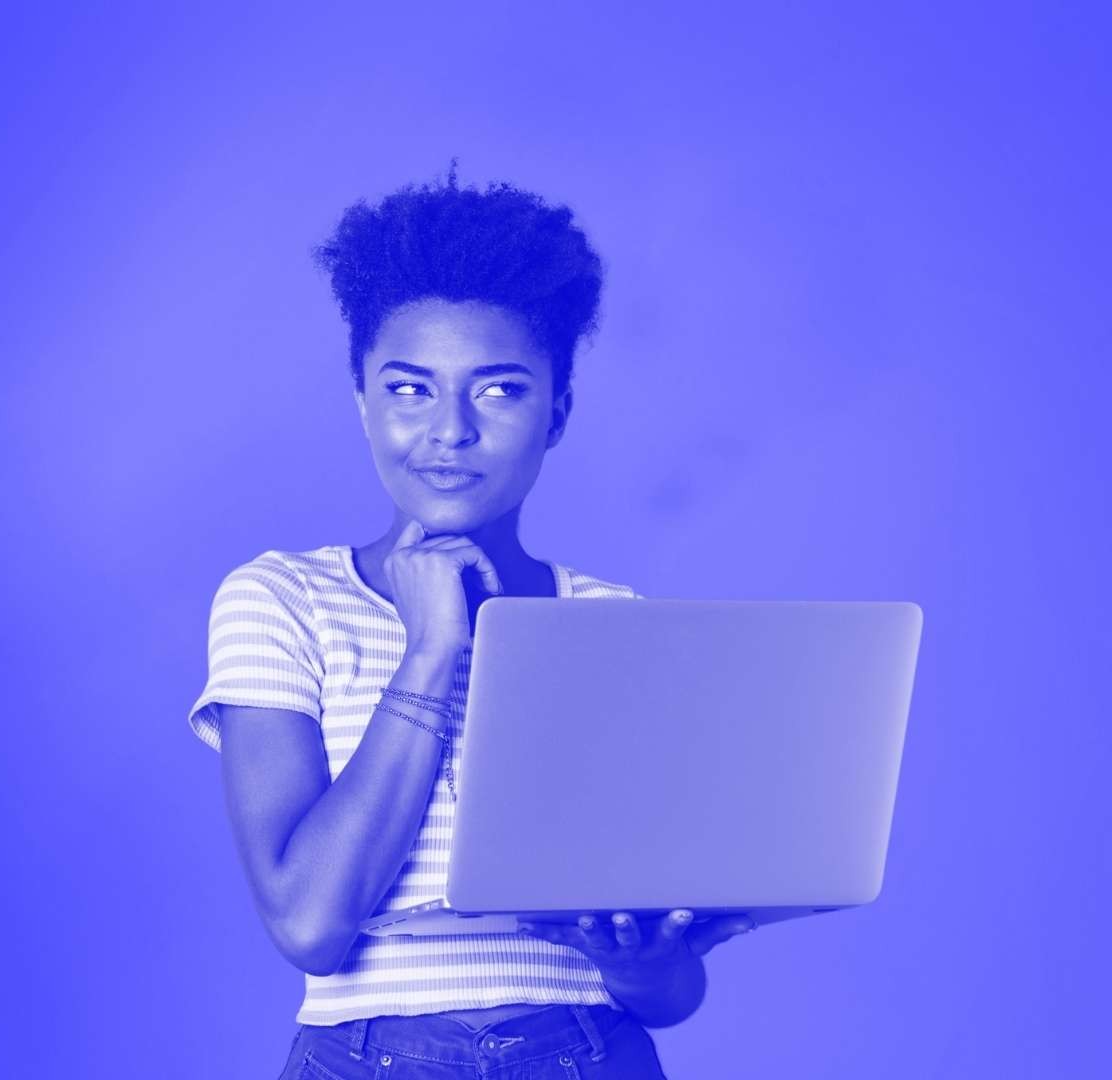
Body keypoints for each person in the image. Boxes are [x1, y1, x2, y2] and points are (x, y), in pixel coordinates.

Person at [187, 170, 757, 1079]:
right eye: (410, 390)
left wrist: (646, 963)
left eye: (498, 391)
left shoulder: (612, 624)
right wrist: (431, 648)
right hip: (364, 1058)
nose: (448, 431)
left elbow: (672, 995)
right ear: (363, 404)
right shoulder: (280, 600)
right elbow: (309, 925)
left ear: (556, 413)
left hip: (588, 1053)